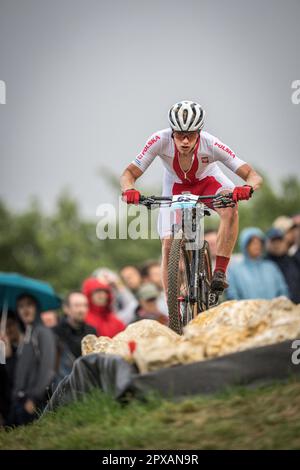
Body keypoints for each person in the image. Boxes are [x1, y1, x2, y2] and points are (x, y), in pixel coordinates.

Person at [120, 100, 263, 297]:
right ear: (172, 133)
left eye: (191, 135)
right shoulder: (158, 140)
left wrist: (246, 188)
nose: (185, 141)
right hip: (176, 185)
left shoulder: (211, 144)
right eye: (180, 135)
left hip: (207, 180)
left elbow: (253, 176)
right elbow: (128, 174)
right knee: (169, 244)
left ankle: (220, 271)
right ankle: (174, 310)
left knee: (230, 206)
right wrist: (129, 190)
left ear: (199, 133)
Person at [8, 294, 57, 426]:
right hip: (19, 401)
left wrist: (33, 399)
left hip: (33, 402)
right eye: (21, 306)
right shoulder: (27, 335)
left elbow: (48, 369)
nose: (25, 310)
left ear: (37, 308)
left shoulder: (43, 332)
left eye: (29, 305)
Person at [226, 227, 289, 300]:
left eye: (259, 243)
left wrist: (282, 299)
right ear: (245, 245)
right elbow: (232, 294)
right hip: (247, 310)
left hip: (273, 310)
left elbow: (283, 290)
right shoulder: (235, 270)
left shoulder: (271, 267)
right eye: (252, 243)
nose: (257, 246)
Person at [54, 291, 96, 381]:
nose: (82, 310)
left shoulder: (91, 331)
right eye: (77, 306)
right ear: (66, 309)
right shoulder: (55, 333)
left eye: (85, 305)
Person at [0, 310, 23, 426]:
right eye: (2, 327)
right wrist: (5, 356)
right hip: (9, 413)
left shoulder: (26, 346)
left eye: (10, 325)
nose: (7, 330)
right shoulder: (2, 351)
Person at [265, 228, 300, 304]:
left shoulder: (294, 260)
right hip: (273, 309)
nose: (277, 244)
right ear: (267, 243)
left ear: (285, 242)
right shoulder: (264, 264)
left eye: (280, 241)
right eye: (273, 241)